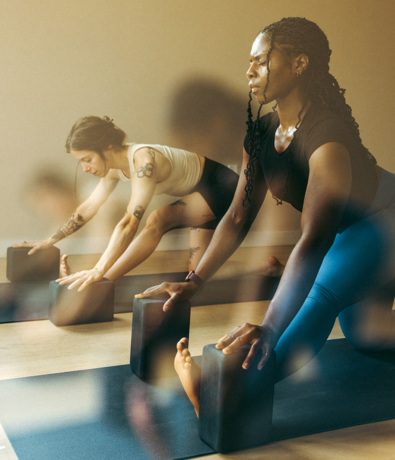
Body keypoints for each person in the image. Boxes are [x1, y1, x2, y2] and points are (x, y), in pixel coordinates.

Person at [136, 17, 395, 418]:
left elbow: (314, 240)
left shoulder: (326, 139)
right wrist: (194, 281)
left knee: (321, 296)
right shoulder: (261, 133)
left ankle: (226, 391)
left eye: (261, 60)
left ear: (300, 63)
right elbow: (238, 215)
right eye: (249, 61)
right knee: (368, 336)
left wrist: (270, 327)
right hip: (355, 231)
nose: (249, 71)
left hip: (384, 222)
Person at [13, 116, 240, 290]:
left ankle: (102, 281)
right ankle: (101, 280)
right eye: (80, 162)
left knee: (158, 220)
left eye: (87, 160)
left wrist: (98, 269)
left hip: (223, 186)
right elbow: (87, 208)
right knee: (195, 281)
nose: (85, 168)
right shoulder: (112, 169)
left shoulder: (144, 162)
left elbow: (129, 222)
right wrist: (50, 240)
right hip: (202, 192)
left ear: (108, 149)